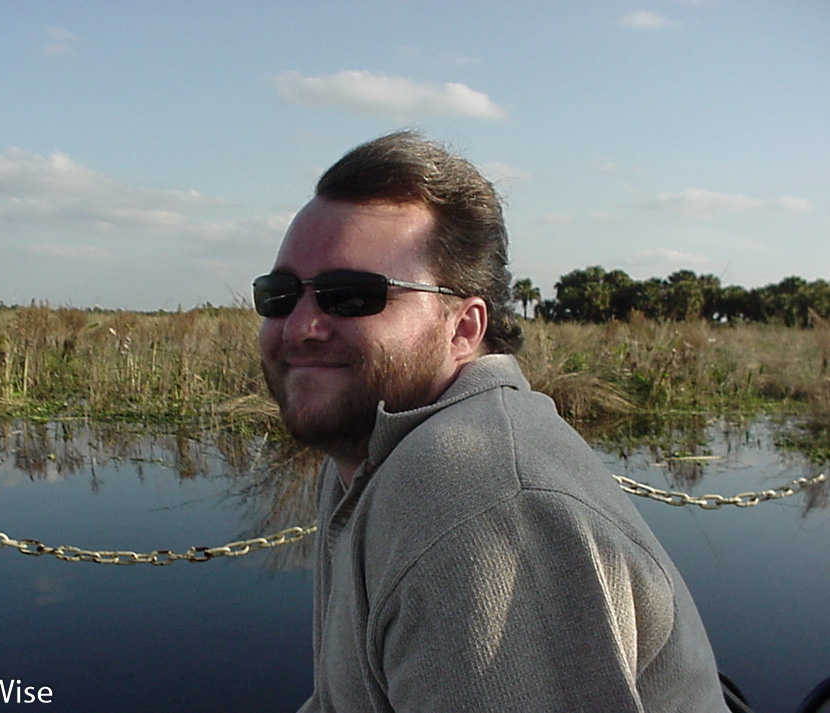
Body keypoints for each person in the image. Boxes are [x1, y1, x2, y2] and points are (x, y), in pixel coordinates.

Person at [254, 130, 729, 712]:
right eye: (279, 294)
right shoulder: (370, 447)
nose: (300, 326)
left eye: (350, 295)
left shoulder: (479, 500)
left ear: (464, 328)